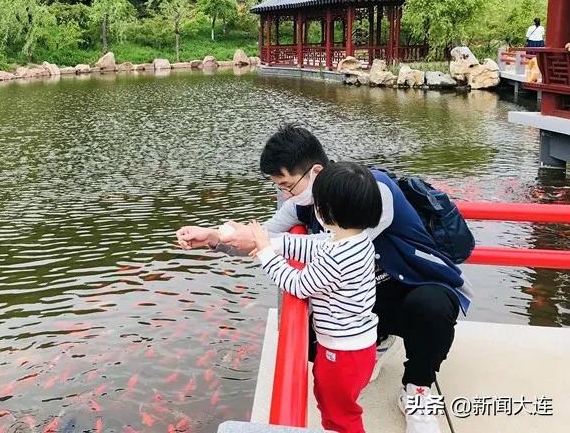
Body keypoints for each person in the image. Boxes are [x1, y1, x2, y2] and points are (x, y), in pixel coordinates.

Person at [176, 124, 473, 433]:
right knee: (308, 340)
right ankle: (380, 341)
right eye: (279, 187)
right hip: (363, 298)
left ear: (315, 171)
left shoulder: (371, 191)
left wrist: (266, 246)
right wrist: (212, 237)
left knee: (432, 308)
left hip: (410, 283)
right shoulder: (305, 204)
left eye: (288, 185)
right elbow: (266, 234)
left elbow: (336, 246)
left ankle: (417, 392)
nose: (285, 195)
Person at [249, 161, 381, 433]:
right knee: (338, 407)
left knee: (339, 416)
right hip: (359, 347)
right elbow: (311, 245)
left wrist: (265, 254)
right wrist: (274, 242)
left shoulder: (337, 255)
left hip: (342, 352)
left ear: (324, 210)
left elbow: (297, 284)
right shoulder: (356, 239)